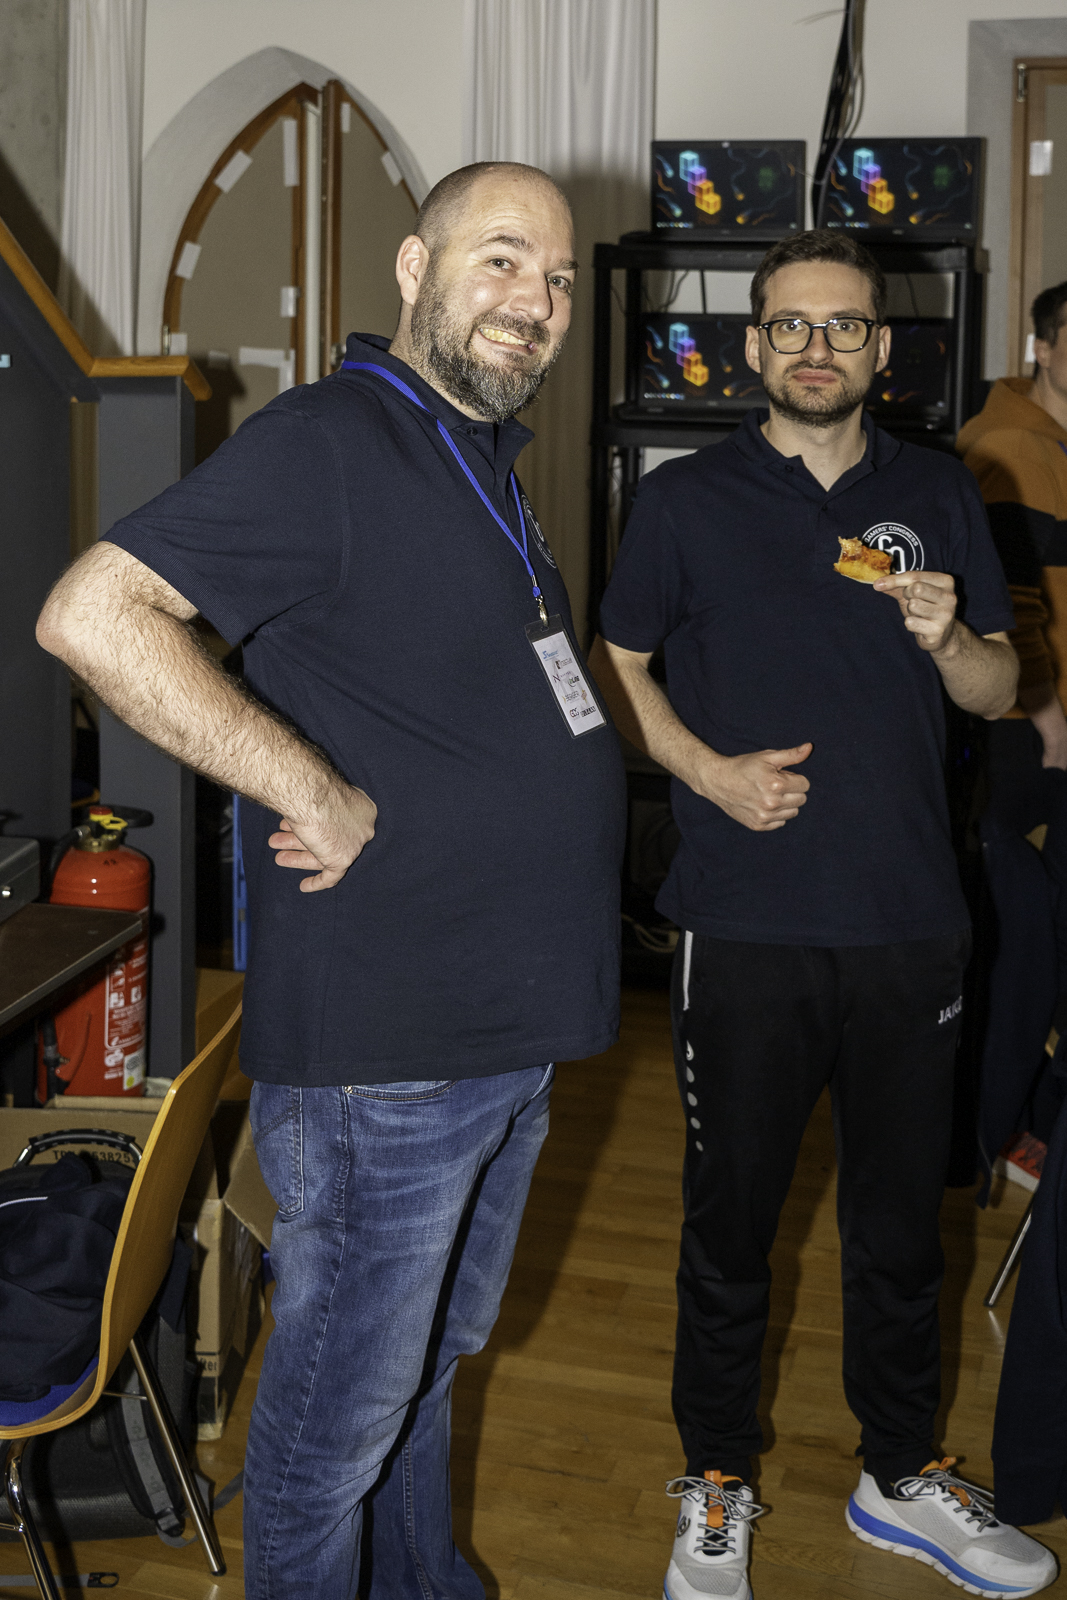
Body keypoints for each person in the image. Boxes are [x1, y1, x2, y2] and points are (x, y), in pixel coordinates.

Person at [36, 162, 625, 1600]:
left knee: (423, 1368)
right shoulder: (332, 440)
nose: (536, 300)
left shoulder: (472, 458)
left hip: (498, 1034)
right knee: (330, 1427)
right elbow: (95, 615)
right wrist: (305, 785)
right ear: (414, 269)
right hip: (389, 1059)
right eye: (501, 259)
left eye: (556, 279)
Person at [589, 229, 1057, 1600]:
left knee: (900, 1231)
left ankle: (896, 1474)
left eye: (841, 325)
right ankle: (715, 1480)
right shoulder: (684, 499)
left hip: (909, 921)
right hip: (743, 924)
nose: (813, 347)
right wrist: (701, 771)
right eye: (788, 324)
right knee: (728, 1230)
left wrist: (949, 637)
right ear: (752, 345)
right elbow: (616, 662)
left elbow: (998, 691)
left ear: (879, 349)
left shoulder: (939, 488)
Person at [957, 285, 1067, 1165]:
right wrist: (1050, 721)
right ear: (1042, 348)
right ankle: (995, 1133)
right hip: (1030, 731)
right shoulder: (1012, 446)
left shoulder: (1051, 442)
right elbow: (1013, 608)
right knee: (1024, 943)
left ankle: (1021, 1123)